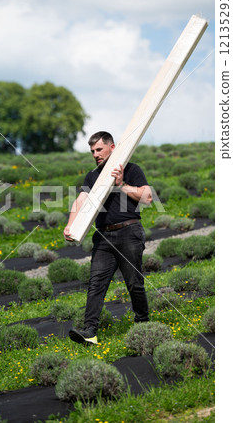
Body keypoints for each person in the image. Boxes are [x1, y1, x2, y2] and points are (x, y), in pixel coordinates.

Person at [63, 131, 152, 345]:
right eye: (92, 151)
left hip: (129, 232)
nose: (95, 154)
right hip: (103, 237)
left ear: (112, 147)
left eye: (99, 149)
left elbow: (147, 198)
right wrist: (70, 225)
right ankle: (89, 332)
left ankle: (144, 324)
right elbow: (80, 201)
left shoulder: (131, 169)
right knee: (96, 284)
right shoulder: (92, 176)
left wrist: (122, 185)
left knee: (134, 283)